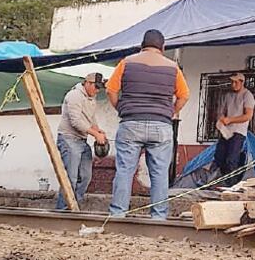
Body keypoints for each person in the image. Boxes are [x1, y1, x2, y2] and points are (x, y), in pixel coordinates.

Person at [106, 29, 189, 220]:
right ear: (163, 47)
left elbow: (111, 90)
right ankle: (158, 217)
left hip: (131, 123)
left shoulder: (126, 62)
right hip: (161, 126)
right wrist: (171, 112)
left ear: (141, 46)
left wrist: (121, 108)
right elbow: (184, 95)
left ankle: (118, 214)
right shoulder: (173, 67)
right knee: (159, 174)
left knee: (125, 170)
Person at [55, 73, 108, 210]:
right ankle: (63, 209)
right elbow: (76, 121)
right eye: (96, 87)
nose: (97, 91)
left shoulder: (92, 99)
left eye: (99, 88)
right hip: (69, 139)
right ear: (87, 83)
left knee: (85, 177)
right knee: (70, 178)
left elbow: (91, 119)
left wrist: (99, 131)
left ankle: (74, 206)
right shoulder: (74, 96)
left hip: (82, 140)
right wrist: (95, 134)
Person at [214, 73, 255, 186]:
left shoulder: (247, 95)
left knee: (231, 160)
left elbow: (248, 116)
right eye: (232, 82)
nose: (233, 84)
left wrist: (230, 120)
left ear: (242, 82)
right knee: (219, 157)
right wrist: (221, 118)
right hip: (225, 131)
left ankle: (231, 185)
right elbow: (221, 113)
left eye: (236, 82)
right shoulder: (227, 95)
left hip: (238, 131)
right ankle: (225, 182)